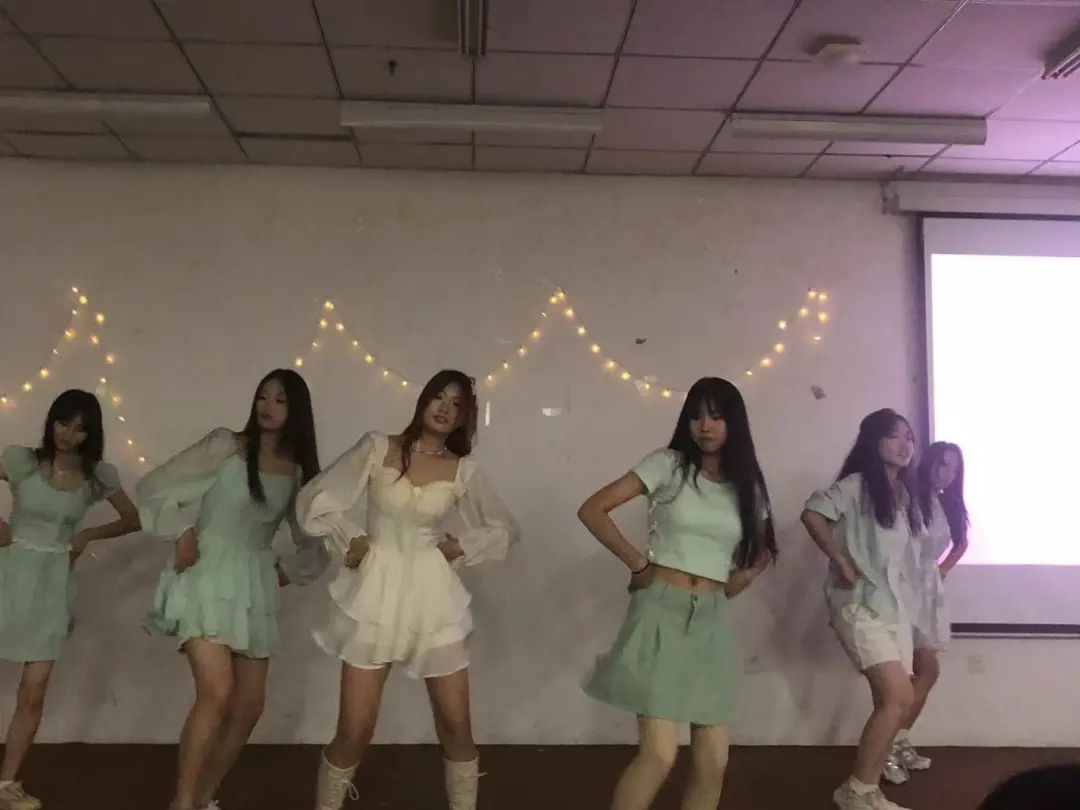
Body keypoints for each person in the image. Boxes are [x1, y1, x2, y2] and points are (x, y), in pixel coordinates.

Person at [296, 369, 519, 810]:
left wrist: (460, 547)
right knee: (355, 729)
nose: (445, 409)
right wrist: (350, 538)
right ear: (423, 400)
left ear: (465, 417)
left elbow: (504, 527)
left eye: (457, 405)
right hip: (375, 594)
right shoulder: (378, 447)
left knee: (455, 726)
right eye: (439, 397)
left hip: (432, 597)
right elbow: (316, 499)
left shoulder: (463, 470)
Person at [578, 377, 776, 810]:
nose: (705, 426)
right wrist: (639, 564)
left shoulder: (747, 486)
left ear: (734, 423)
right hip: (660, 611)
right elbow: (593, 509)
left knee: (713, 762)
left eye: (716, 416)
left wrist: (739, 580)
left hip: (711, 619)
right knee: (659, 754)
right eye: (696, 416)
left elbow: (762, 551)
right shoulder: (668, 465)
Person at [137, 370, 326, 810]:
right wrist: (183, 531)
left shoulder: (297, 472)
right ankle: (183, 803)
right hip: (205, 574)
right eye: (263, 397)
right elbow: (155, 487)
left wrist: (282, 573)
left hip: (251, 587)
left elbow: (314, 542)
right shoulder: (226, 446)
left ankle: (206, 797)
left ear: (297, 411)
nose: (267, 407)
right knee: (217, 693)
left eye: (280, 400)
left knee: (249, 706)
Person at [0, 389, 140, 810]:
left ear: (90, 434)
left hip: (52, 585)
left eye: (80, 429)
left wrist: (88, 535)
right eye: (64, 422)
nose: (68, 434)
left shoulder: (97, 476)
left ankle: (6, 783)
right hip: (8, 574)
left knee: (34, 690)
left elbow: (133, 518)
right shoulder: (23, 461)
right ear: (52, 421)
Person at [801, 408, 923, 810]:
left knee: (894, 700)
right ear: (874, 441)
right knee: (898, 697)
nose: (905, 445)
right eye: (895, 436)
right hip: (859, 606)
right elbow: (812, 514)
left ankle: (869, 790)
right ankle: (855, 790)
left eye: (910, 437)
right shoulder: (855, 485)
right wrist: (841, 560)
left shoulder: (902, 495)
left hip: (892, 610)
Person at [887, 441, 968, 782]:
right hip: (902, 590)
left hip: (928, 593)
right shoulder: (907, 495)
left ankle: (896, 740)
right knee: (907, 675)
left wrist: (941, 571)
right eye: (943, 464)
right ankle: (888, 744)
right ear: (929, 462)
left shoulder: (945, 501)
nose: (948, 474)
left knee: (926, 671)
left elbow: (961, 542)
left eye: (955, 469)